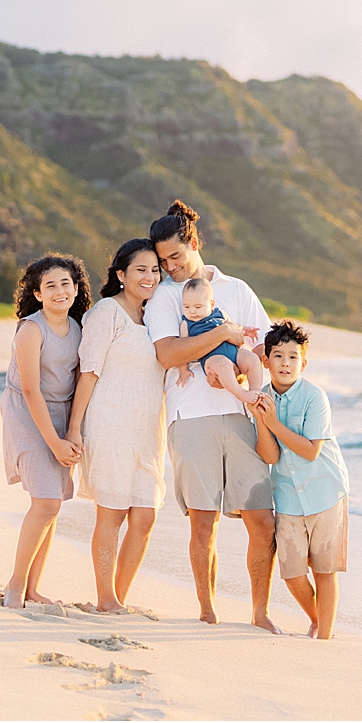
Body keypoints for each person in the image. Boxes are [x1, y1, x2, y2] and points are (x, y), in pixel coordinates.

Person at [143, 200, 280, 633]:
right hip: (190, 417)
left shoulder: (237, 289)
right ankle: (207, 609)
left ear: (195, 243)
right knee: (204, 521)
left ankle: (259, 612)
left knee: (262, 519)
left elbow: (261, 349)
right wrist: (223, 333)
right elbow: (169, 353)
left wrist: (239, 367)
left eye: (176, 257)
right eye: (163, 261)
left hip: (242, 415)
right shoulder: (163, 296)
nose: (170, 268)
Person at [66, 238, 167, 613]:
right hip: (110, 424)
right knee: (112, 512)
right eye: (141, 269)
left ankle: (118, 598)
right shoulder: (106, 312)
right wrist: (74, 429)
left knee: (145, 516)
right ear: (121, 274)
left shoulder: (157, 317)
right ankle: (106, 598)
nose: (150, 277)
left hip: (147, 431)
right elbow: (87, 372)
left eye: (155, 270)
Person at [0, 254, 91, 609]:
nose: (59, 291)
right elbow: (32, 389)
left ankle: (33, 587)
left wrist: (73, 431)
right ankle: (16, 586)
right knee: (46, 501)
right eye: (50, 285)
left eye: (66, 283)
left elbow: (81, 378)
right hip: (27, 413)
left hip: (61, 414)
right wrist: (53, 441)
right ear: (37, 294)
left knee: (53, 504)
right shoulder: (31, 329)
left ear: (76, 288)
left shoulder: (79, 329)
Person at [248, 320, 350, 640]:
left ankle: (324, 637)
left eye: (293, 357)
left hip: (325, 490)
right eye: (278, 356)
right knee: (292, 574)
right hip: (289, 494)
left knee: (324, 570)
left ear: (303, 363)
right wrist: (261, 421)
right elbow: (270, 457)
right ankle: (318, 619)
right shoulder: (262, 397)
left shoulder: (315, 397)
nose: (286, 363)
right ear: (266, 361)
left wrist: (275, 424)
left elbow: (310, 451)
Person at [173, 277, 264, 404]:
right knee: (223, 365)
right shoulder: (186, 324)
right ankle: (241, 393)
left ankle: (256, 391)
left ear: (211, 304)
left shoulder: (220, 313)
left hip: (234, 353)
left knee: (252, 358)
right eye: (186, 306)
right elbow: (183, 349)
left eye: (198, 306)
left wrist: (245, 330)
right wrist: (183, 369)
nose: (192, 311)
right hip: (212, 359)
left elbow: (233, 327)